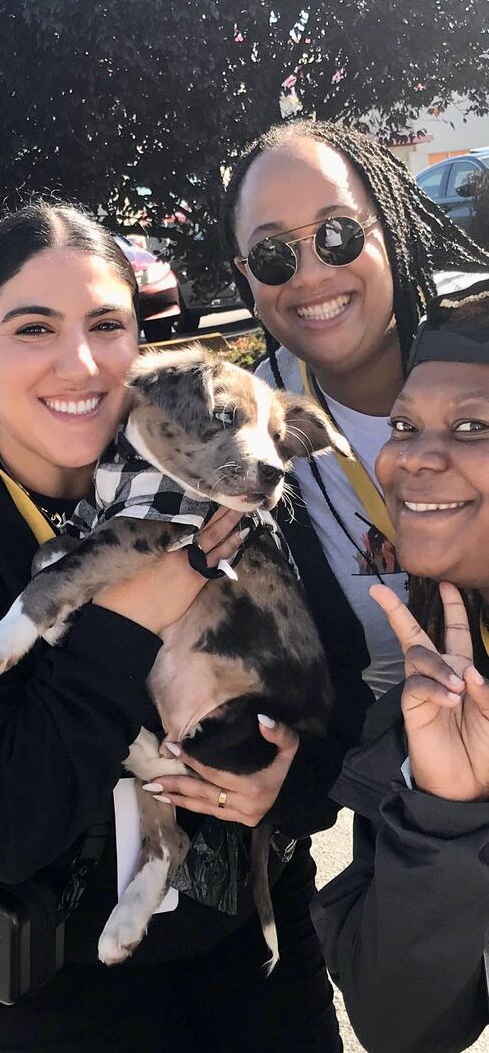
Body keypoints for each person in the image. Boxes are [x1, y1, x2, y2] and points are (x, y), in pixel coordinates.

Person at [0, 201, 343, 1053]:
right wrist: (127, 613)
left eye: (108, 324)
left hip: (243, 927)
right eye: (33, 328)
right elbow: (4, 829)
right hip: (57, 975)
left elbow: (315, 693)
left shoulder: (210, 470)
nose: (82, 361)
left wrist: (288, 785)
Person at [215, 118, 489, 826]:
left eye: (337, 233)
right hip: (418, 788)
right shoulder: (252, 441)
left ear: (388, 226)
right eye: (274, 255)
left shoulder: (478, 333)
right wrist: (280, 782)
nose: (310, 274)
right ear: (247, 277)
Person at [310, 277, 489, 1053]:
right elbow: (403, 1029)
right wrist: (445, 812)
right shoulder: (435, 697)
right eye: (405, 424)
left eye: (473, 425)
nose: (415, 457)